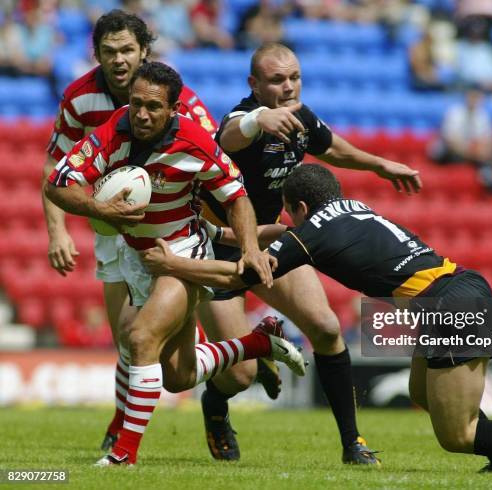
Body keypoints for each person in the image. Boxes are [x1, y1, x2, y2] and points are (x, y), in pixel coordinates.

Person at [142, 164, 492, 475]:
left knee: (458, 436)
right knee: (419, 393)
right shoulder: (348, 210)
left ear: (301, 207)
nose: (293, 221)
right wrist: (218, 231)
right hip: (457, 289)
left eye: (293, 214)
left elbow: (246, 271)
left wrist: (173, 264)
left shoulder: (310, 234)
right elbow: (283, 232)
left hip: (447, 307)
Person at [45, 61, 306, 466]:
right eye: (136, 104)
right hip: (140, 258)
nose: (142, 114)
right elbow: (58, 183)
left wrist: (251, 248)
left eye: (153, 106)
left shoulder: (195, 142)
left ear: (173, 109)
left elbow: (237, 196)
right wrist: (101, 208)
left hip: (182, 253)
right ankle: (258, 343)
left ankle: (123, 456)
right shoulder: (113, 132)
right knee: (179, 376)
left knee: (141, 338)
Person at [194, 42, 421, 465]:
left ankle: (352, 443)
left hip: (268, 239)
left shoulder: (300, 117)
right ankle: (216, 404)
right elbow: (229, 135)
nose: (288, 86)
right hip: (218, 246)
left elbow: (331, 147)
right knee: (238, 376)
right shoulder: (242, 119)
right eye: (277, 80)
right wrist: (261, 118)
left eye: (294, 77)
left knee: (327, 328)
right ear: (254, 85)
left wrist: (379, 166)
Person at [41, 9, 217, 452]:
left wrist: (222, 231)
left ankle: (214, 408)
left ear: (144, 51)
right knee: (129, 332)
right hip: (108, 221)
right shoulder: (79, 98)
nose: (118, 60)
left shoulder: (180, 99)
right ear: (96, 54)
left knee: (171, 352)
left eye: (127, 50)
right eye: (108, 51)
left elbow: (211, 163)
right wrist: (57, 231)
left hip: (173, 225)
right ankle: (120, 425)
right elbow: (54, 167)